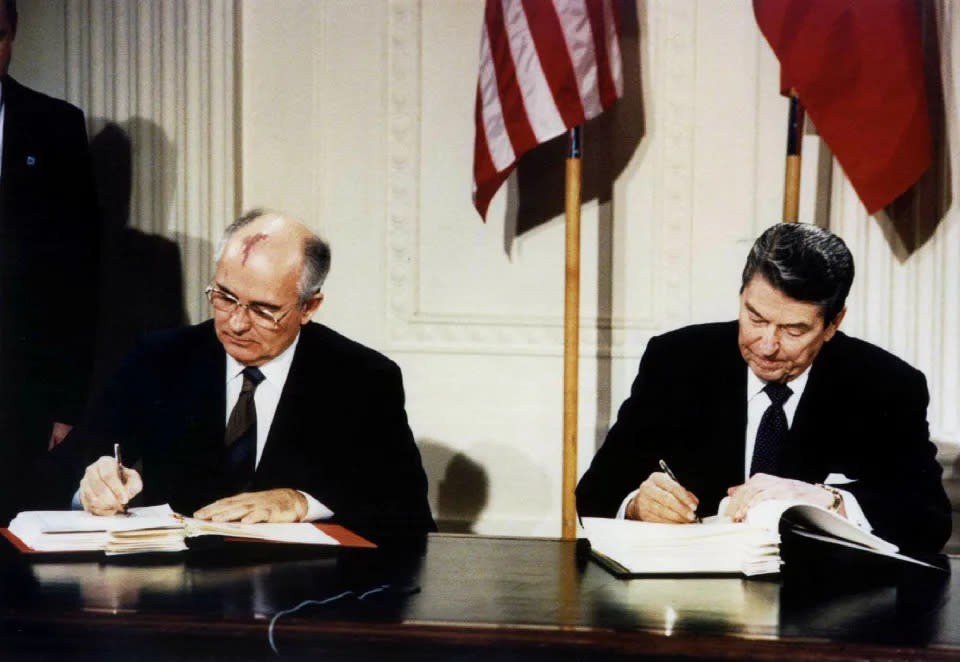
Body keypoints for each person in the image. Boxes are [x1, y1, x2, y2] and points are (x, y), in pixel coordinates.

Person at [45, 210, 436, 542]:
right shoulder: (159, 358)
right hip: (178, 598)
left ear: (309, 306)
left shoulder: (364, 379)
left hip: (304, 602)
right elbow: (63, 470)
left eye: (264, 310)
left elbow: (408, 515)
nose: (236, 323)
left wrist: (302, 502)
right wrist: (90, 488)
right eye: (224, 297)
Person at [576, 223, 951, 553]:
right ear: (741, 296)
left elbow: (930, 521)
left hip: (823, 606)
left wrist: (828, 500)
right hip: (698, 605)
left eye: (793, 330)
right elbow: (595, 493)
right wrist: (637, 505)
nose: (766, 344)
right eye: (755, 317)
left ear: (833, 323)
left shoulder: (886, 384)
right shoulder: (677, 360)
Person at [0, 0, 100, 521]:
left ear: (12, 36)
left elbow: (78, 279)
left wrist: (67, 408)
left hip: (22, 397)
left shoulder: (55, 126)